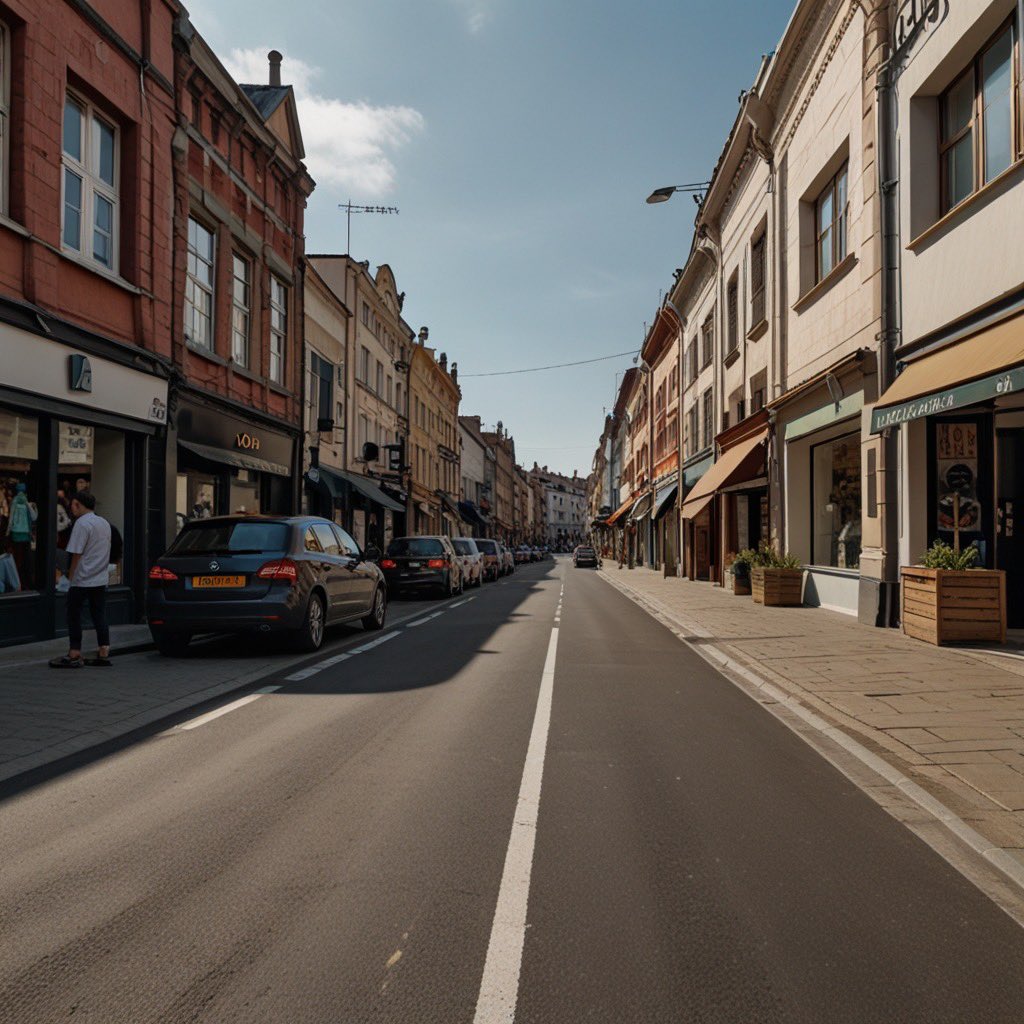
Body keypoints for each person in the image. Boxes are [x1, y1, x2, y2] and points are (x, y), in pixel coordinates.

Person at [49, 491, 112, 668]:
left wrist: (70, 578)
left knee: (74, 614)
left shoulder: (82, 524)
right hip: (100, 578)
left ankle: (75, 652)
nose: (71, 509)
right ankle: (104, 651)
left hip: (82, 579)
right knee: (99, 614)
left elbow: (76, 554)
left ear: (78, 504)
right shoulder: (104, 522)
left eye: (73, 505)